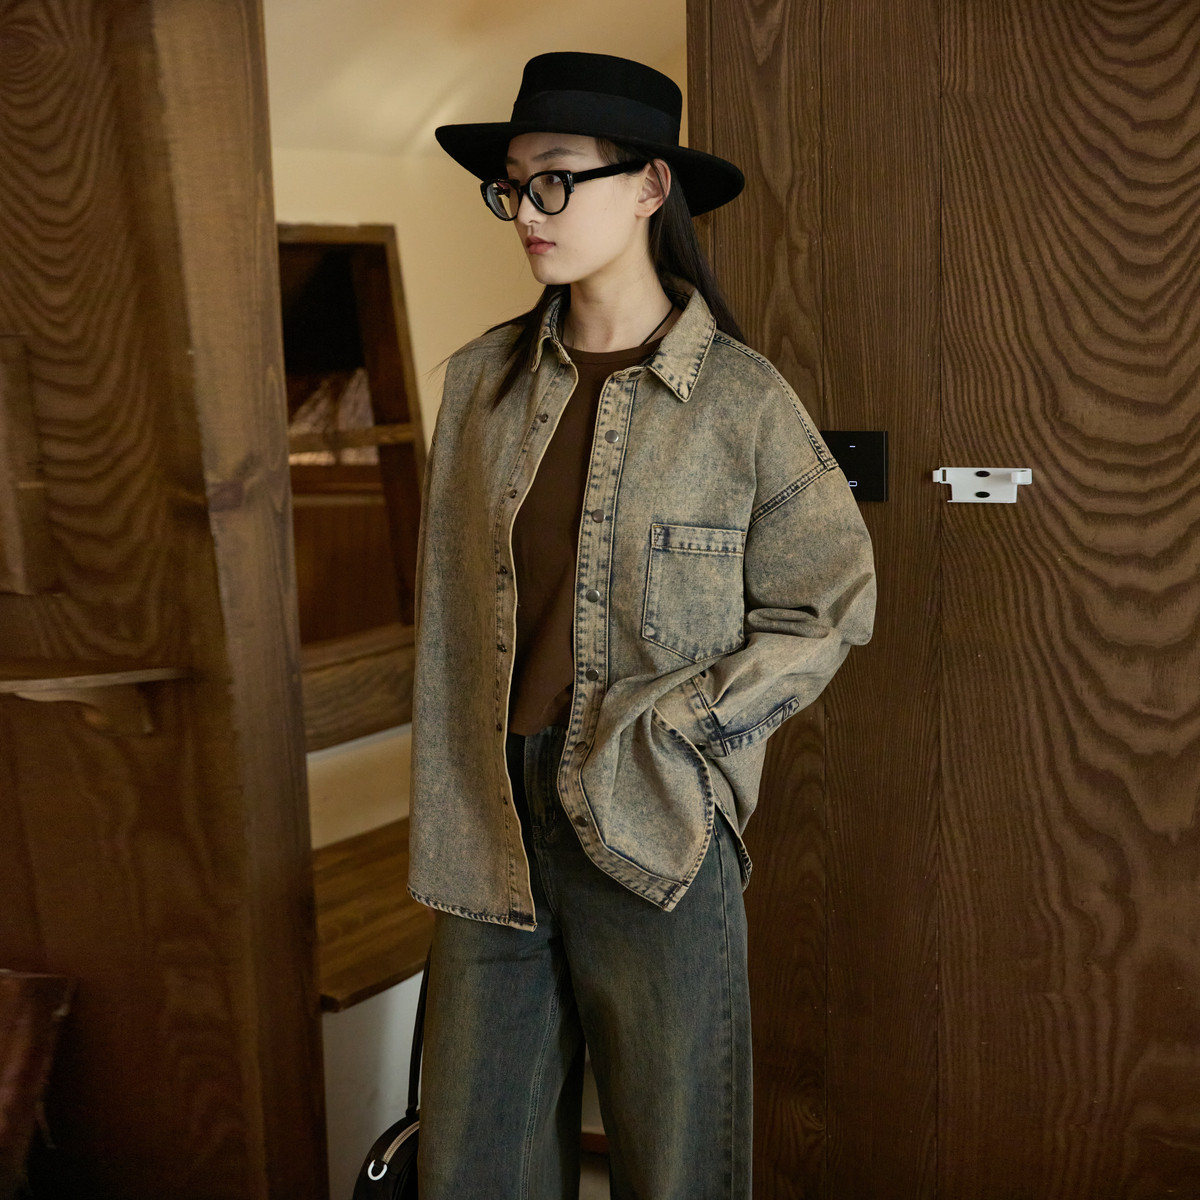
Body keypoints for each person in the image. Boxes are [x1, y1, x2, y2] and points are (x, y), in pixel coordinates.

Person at [409, 50, 876, 1200]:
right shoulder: (478, 386)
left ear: (651, 187)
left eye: (556, 178)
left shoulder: (742, 403)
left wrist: (682, 731)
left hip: (654, 819)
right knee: (470, 1167)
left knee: (677, 1168)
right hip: (487, 820)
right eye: (513, 185)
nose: (528, 211)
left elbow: (828, 604)